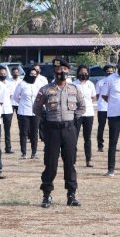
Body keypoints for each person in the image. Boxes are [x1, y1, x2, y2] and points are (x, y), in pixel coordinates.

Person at [34, 59, 85, 208]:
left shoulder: (74, 89)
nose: (61, 72)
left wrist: (74, 118)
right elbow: (36, 108)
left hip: (69, 130)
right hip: (52, 130)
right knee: (51, 163)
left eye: (64, 69)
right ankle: (46, 195)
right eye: (58, 69)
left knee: (70, 162)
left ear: (68, 71)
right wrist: (45, 118)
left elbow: (82, 107)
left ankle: (71, 195)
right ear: (53, 72)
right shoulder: (45, 89)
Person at [13, 67, 41, 160]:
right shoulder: (22, 84)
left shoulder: (38, 84)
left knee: (34, 133)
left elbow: (41, 97)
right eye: (31, 74)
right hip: (24, 111)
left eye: (34, 74)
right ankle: (23, 153)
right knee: (23, 133)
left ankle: (34, 152)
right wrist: (22, 103)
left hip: (35, 112)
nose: (33, 76)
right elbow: (16, 97)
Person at [73, 65, 97, 167]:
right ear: (78, 73)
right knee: (74, 137)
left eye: (86, 73)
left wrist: (85, 103)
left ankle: (88, 160)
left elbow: (94, 97)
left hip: (88, 113)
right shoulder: (73, 84)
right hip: (77, 113)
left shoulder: (90, 84)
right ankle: (72, 159)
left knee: (87, 138)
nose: (84, 74)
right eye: (82, 72)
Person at [95, 64, 115, 149]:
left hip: (113, 108)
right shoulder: (100, 82)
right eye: (108, 72)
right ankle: (100, 145)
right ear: (105, 72)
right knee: (101, 127)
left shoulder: (115, 82)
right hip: (102, 107)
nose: (110, 73)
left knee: (113, 128)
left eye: (111, 71)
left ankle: (113, 145)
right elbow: (97, 95)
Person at [0, 66, 15, 155]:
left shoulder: (9, 84)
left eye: (4, 74)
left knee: (7, 130)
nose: (3, 75)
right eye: (1, 74)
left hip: (8, 109)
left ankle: (8, 147)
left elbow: (11, 96)